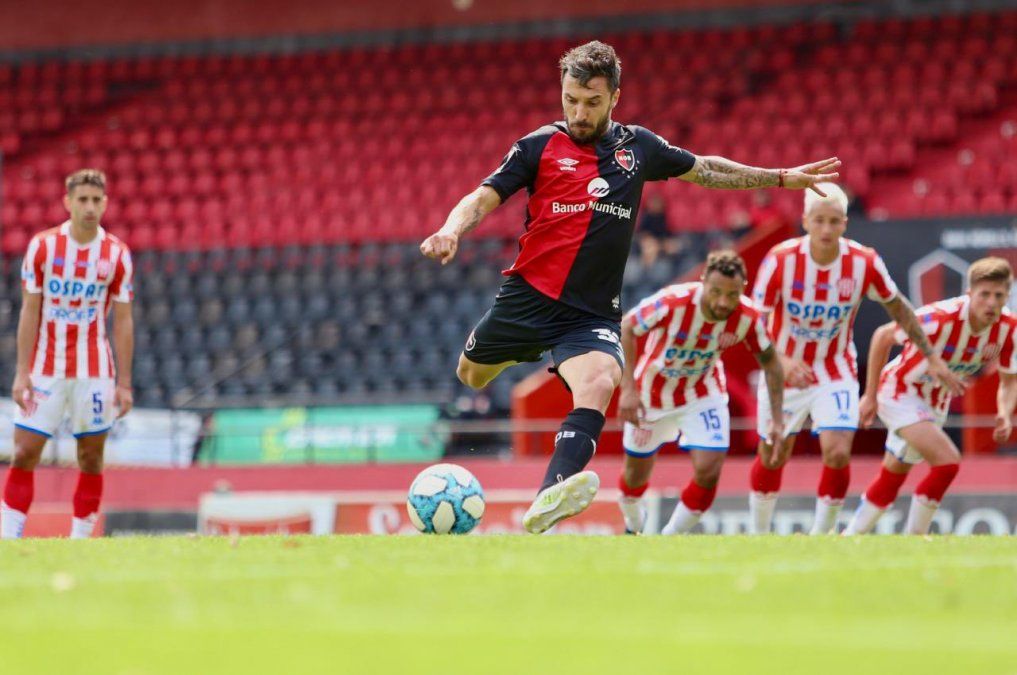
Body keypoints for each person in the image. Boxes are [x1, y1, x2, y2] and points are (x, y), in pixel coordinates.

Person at [419, 40, 840, 534]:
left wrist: (779, 177)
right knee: (471, 376)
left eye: (592, 101)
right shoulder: (537, 146)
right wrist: (451, 229)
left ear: (614, 97)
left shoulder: (636, 149)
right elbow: (482, 196)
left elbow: (706, 169)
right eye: (571, 98)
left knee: (599, 382)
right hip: (528, 298)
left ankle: (548, 499)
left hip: (590, 315)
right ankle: (525, 352)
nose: (578, 111)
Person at [748, 183, 963, 535]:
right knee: (773, 454)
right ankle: (758, 534)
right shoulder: (781, 260)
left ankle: (824, 537)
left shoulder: (864, 262)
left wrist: (931, 355)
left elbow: (900, 308)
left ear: (845, 223)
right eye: (819, 221)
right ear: (805, 221)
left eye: (834, 221)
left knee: (837, 451)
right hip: (783, 367)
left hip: (835, 368)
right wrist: (783, 361)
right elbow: (754, 321)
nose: (827, 229)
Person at [1, 169, 134, 539]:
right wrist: (21, 371)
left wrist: (124, 383)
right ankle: (8, 541)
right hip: (46, 367)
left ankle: (81, 545)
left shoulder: (117, 255)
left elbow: (123, 321)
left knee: (91, 458)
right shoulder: (43, 248)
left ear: (105, 203)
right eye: (83, 200)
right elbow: (29, 310)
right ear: (68, 202)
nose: (90, 207)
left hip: (95, 370)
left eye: (96, 200)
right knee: (26, 451)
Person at [844, 258, 1016, 535]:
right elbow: (882, 336)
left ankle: (849, 536)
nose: (991, 303)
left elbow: (1009, 381)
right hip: (899, 391)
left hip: (934, 402)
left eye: (999, 295)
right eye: (984, 294)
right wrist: (870, 395)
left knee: (895, 472)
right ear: (970, 294)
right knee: (947, 462)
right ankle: (916, 538)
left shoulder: (1009, 329)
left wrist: (1005, 413)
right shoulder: (940, 317)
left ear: (1007, 296)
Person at [616, 251, 783, 534]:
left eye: (731, 295)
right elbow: (628, 327)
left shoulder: (748, 318)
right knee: (634, 479)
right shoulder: (672, 302)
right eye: (716, 292)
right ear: (703, 281)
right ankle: (634, 525)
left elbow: (772, 364)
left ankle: (667, 541)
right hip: (651, 395)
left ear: (741, 289)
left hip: (702, 394)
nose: (722, 302)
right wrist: (628, 389)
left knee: (709, 470)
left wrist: (777, 419)